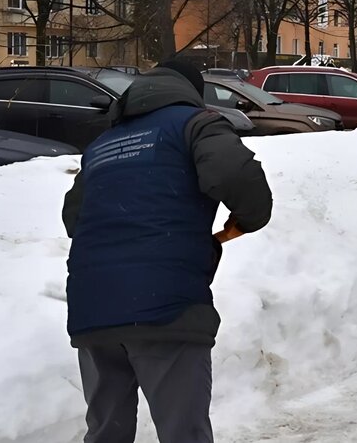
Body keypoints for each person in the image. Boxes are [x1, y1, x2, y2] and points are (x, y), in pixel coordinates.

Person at [61, 60, 273, 443]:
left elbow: (74, 219)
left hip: (93, 309)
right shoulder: (196, 123)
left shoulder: (102, 146)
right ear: (192, 92)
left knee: (107, 431)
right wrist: (248, 218)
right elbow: (233, 174)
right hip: (165, 306)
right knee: (183, 433)